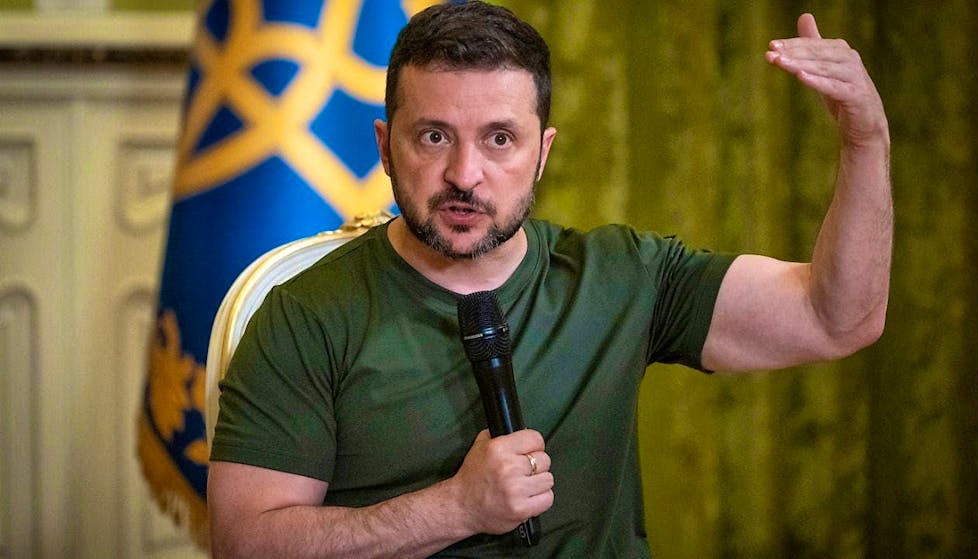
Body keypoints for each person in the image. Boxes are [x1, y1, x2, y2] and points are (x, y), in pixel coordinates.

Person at [207, 1, 891, 557]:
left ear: (542, 153)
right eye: (434, 136)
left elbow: (838, 317)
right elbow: (247, 540)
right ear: (386, 146)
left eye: (499, 138)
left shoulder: (622, 276)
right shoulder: (305, 313)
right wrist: (454, 507)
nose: (465, 175)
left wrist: (865, 142)